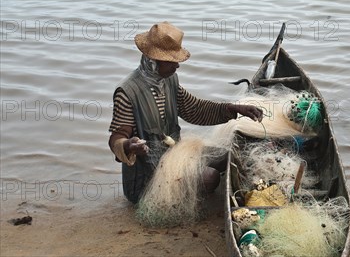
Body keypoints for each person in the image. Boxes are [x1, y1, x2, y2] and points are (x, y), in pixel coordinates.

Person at [108, 21, 263, 203]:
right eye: (172, 61)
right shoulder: (127, 93)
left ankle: (190, 191)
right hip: (148, 176)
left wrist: (233, 109)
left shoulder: (169, 80)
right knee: (210, 177)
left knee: (229, 156)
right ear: (153, 61)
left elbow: (195, 110)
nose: (177, 66)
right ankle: (177, 199)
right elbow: (116, 139)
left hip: (176, 156)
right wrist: (129, 146)